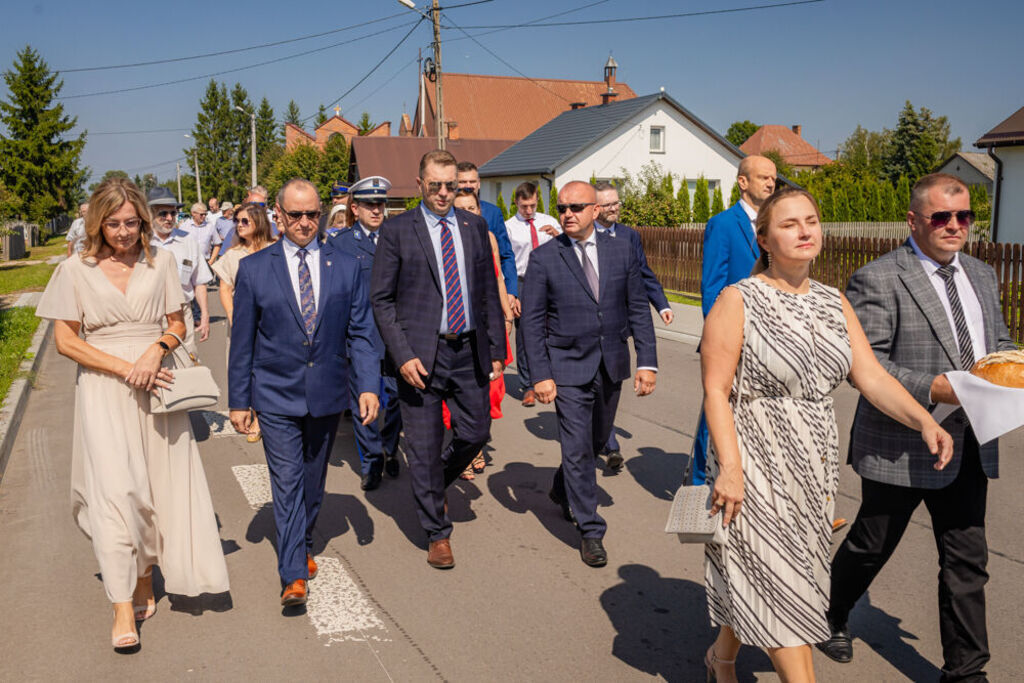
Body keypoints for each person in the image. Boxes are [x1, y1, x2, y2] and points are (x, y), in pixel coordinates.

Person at [699, 186, 953, 683]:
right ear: (765, 240)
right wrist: (729, 468)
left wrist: (924, 420)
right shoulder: (739, 299)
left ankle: (721, 658)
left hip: (814, 466)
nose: (804, 231)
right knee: (781, 582)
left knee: (774, 574)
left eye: (811, 221)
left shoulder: (833, 300)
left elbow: (873, 377)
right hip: (754, 460)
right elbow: (715, 391)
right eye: (790, 223)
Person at [819, 174, 1015, 681]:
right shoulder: (879, 277)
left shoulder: (982, 275)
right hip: (901, 442)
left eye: (964, 216)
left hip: (970, 440)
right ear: (913, 220)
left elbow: (998, 341)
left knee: (966, 560)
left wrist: (1016, 362)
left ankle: (966, 672)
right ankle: (832, 612)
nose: (955, 226)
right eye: (941, 217)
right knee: (871, 543)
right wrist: (939, 388)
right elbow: (869, 366)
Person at [36, 177, 229, 651]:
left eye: (132, 223)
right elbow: (65, 341)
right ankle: (122, 600)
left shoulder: (159, 261)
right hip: (104, 388)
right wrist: (125, 366)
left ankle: (145, 572)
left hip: (157, 383)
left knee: (155, 488)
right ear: (96, 222)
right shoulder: (75, 270)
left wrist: (156, 351)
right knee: (115, 490)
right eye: (114, 223)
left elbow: (176, 321)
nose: (124, 232)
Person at [228, 178, 379, 607]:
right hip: (275, 393)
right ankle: (292, 573)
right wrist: (240, 400)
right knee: (288, 479)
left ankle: (303, 538)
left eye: (312, 213)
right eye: (295, 215)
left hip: (327, 393)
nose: (305, 222)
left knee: (313, 479)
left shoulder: (345, 266)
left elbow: (362, 333)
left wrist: (367, 385)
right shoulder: (255, 269)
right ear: (277, 215)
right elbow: (243, 341)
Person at [370, 149, 505, 569]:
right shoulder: (397, 230)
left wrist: (498, 350)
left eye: (454, 186)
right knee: (424, 448)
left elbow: (486, 293)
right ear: (420, 183)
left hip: (468, 350)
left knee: (476, 431)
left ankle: (435, 483)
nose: (445, 193)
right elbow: (382, 300)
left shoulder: (474, 226)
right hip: (421, 358)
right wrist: (403, 354)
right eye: (436, 185)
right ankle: (436, 533)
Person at [521, 181, 658, 568]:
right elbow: (532, 323)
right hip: (566, 366)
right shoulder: (545, 257)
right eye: (562, 207)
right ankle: (590, 530)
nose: (567, 214)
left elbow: (636, 307)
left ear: (595, 211)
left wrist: (647, 360)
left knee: (597, 440)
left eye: (576, 207)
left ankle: (562, 486)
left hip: (610, 362)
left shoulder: (621, 249)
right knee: (577, 446)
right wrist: (540, 375)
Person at [691, 155, 776, 485]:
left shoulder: (774, 226)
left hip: (769, 337)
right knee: (715, 410)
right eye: (763, 177)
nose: (770, 183)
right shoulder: (723, 224)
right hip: (732, 335)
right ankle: (700, 483)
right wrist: (722, 337)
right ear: (743, 182)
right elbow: (712, 285)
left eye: (773, 178)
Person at [592, 180, 673, 470]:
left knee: (609, 387)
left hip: (619, 325)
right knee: (595, 390)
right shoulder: (583, 237)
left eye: (617, 203)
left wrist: (661, 303)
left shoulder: (629, 236)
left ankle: (604, 435)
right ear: (595, 207)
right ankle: (610, 444)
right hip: (590, 329)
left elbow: (644, 273)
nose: (614, 208)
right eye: (608, 204)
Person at [333, 176, 403, 491]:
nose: (376, 210)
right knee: (364, 399)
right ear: (355, 207)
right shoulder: (340, 243)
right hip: (360, 336)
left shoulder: (399, 237)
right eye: (369, 204)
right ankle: (372, 460)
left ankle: (389, 446)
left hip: (396, 335)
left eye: (381, 203)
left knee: (398, 398)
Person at [450, 190, 514, 480]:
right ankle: (466, 451)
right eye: (460, 208)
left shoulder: (487, 238)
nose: (467, 212)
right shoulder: (446, 238)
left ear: (479, 210)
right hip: (460, 327)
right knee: (463, 390)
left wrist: (507, 313)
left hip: (489, 322)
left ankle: (473, 442)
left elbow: (497, 277)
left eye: (471, 207)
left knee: (490, 389)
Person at [212, 202, 274, 443]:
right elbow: (225, 289)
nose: (239, 225)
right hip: (242, 320)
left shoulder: (275, 249)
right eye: (237, 221)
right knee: (244, 367)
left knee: (267, 367)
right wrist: (234, 317)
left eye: (244, 221)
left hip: (271, 320)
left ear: (259, 222)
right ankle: (247, 411)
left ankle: (262, 417)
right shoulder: (233, 255)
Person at [504, 181, 560, 407]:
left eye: (533, 205)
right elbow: (506, 261)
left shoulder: (550, 222)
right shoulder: (509, 227)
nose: (529, 210)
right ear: (516, 202)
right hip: (523, 281)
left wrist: (557, 235)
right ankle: (528, 384)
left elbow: (569, 248)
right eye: (524, 206)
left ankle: (551, 377)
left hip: (549, 281)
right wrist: (512, 293)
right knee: (526, 333)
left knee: (553, 329)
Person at [147, 187, 212, 355]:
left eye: (173, 213)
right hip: (149, 316)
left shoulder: (187, 241)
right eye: (163, 213)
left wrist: (204, 316)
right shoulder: (140, 243)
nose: (169, 218)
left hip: (182, 314)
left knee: (187, 363)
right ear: (149, 213)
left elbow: (199, 282)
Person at [455, 161, 518, 303]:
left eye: (472, 181)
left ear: (479, 183)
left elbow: (506, 254)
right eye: (463, 181)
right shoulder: (447, 212)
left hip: (488, 291)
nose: (468, 185)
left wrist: (511, 291)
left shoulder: (493, 212)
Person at [179, 202, 222, 267]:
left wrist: (211, 261)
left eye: (205, 214)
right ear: (193, 213)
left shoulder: (210, 226)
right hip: (188, 263)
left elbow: (217, 244)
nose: (204, 216)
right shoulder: (184, 227)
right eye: (201, 214)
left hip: (206, 262)